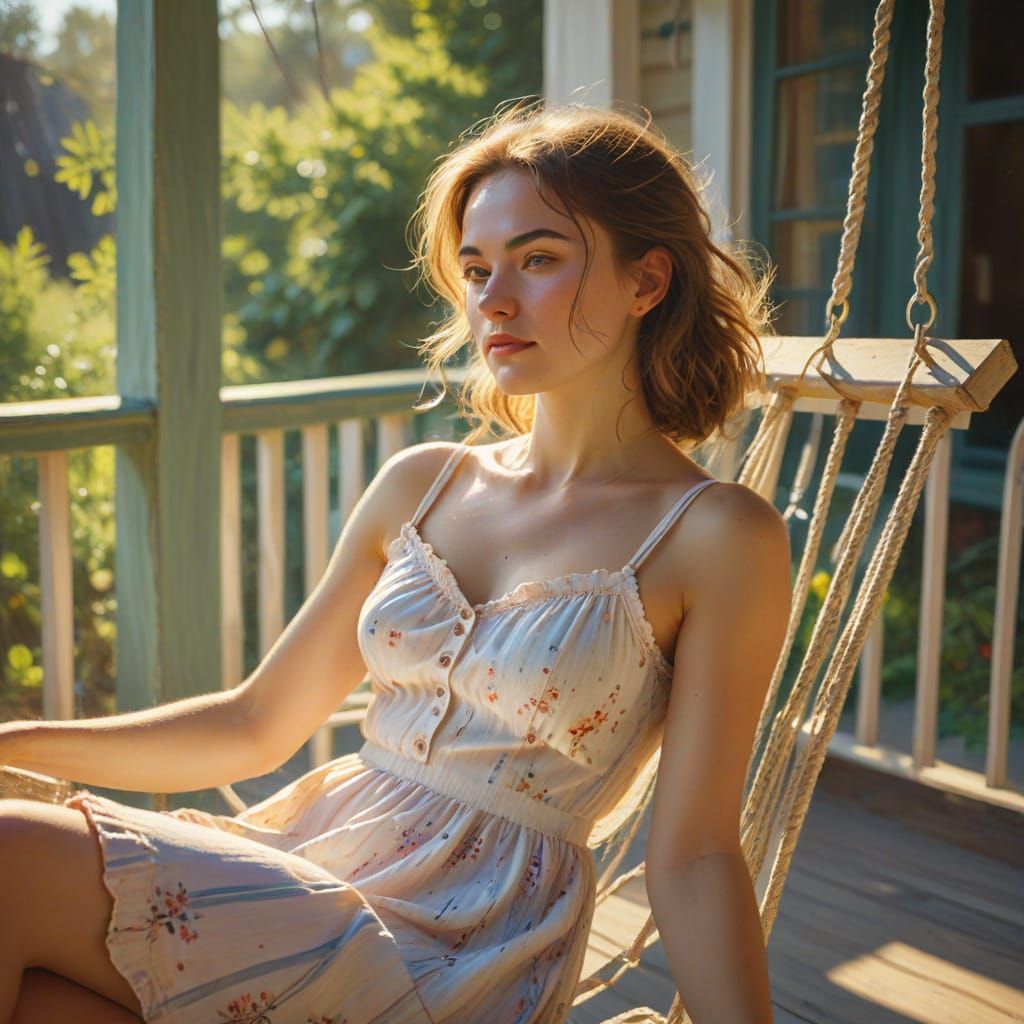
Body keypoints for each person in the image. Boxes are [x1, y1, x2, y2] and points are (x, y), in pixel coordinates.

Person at [0, 101, 791, 1024]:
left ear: (646, 279)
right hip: (318, 872)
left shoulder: (714, 534)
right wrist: (12, 745)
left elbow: (694, 853)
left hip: (463, 950)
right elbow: (257, 722)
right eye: (476, 268)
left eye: (539, 260)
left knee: (11, 859)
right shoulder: (423, 484)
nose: (493, 300)